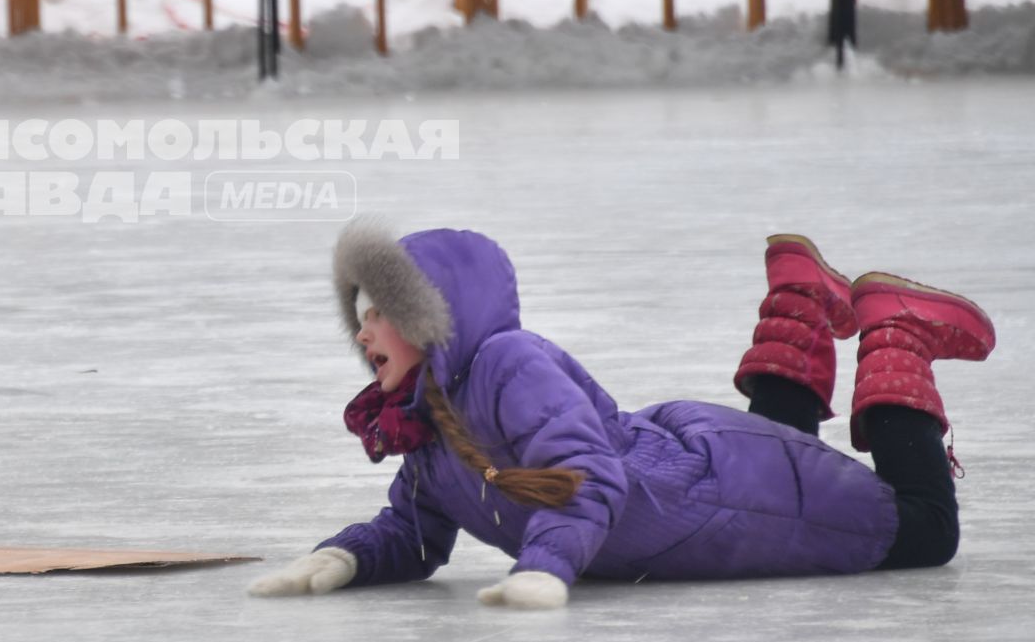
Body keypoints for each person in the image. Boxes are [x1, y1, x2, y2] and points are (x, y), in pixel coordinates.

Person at [248, 221, 992, 607]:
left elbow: (588, 475)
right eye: (360, 315)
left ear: (429, 315)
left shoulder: (508, 363)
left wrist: (545, 567)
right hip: (701, 488)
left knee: (924, 530)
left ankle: (899, 334)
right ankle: (800, 299)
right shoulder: (432, 435)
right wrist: (343, 557)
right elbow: (413, 532)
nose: (362, 332)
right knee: (787, 459)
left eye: (379, 313)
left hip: (714, 496)